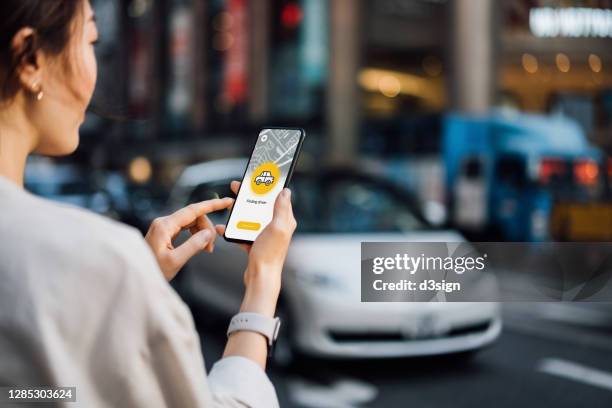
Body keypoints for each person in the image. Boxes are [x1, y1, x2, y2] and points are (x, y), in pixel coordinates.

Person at [0, 1, 296, 407]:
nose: (95, 69)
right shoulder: (97, 256)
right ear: (31, 57)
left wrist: (131, 288)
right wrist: (263, 278)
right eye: (91, 39)